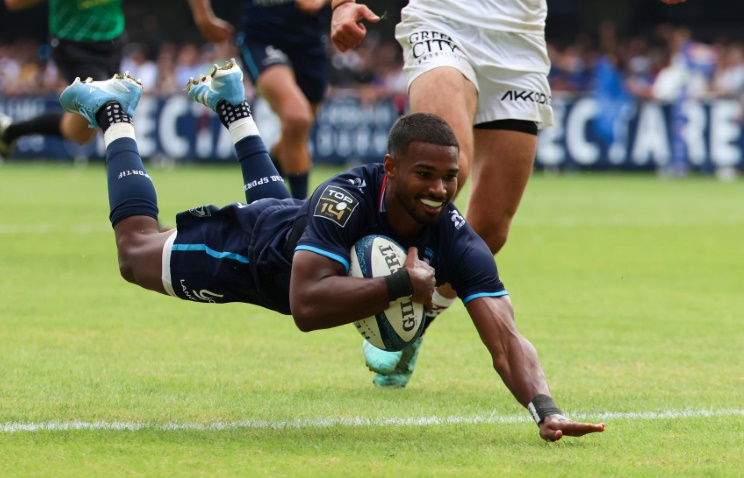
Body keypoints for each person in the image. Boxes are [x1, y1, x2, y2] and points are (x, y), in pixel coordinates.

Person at [58, 59, 605, 442]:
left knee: (283, 210)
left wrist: (545, 409)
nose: (440, 189)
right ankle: (114, 113)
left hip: (294, 232)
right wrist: (398, 285)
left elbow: (507, 339)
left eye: (450, 177)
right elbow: (306, 306)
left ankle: (233, 109)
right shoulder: (345, 196)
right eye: (425, 175)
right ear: (390, 169)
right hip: (249, 257)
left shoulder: (456, 237)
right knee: (134, 253)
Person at [330, 0, 691, 388]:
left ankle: (417, 320)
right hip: (442, 18)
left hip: (518, 39)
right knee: (450, 168)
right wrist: (343, 4)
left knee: (490, 229)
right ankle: (386, 292)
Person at [188, 0, 332, 199]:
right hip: (262, 35)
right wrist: (203, 17)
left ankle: (268, 185)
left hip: (309, 39)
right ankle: (300, 216)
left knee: (296, 133)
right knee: (298, 118)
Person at [0, 0, 127, 160]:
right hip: (75, 44)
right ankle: (129, 181)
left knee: (79, 133)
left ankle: (11, 131)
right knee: (109, 109)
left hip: (113, 40)